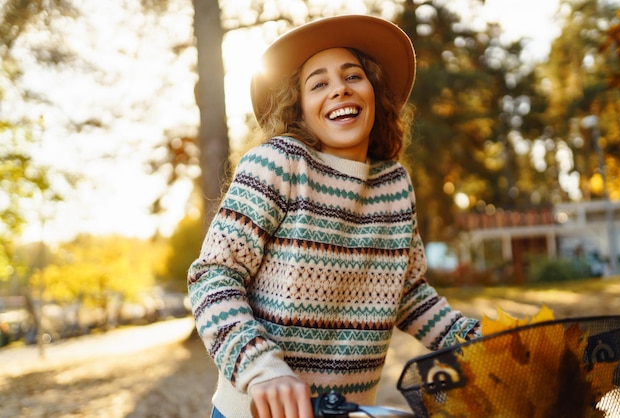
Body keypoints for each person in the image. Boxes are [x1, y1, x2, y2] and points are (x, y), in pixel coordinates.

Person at [187, 14, 481, 418]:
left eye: (352, 76)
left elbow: (408, 294)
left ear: (374, 92)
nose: (339, 89)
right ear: (300, 109)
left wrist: (480, 343)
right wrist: (262, 369)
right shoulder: (276, 164)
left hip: (348, 411)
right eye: (318, 84)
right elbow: (214, 277)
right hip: (258, 410)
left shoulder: (394, 184)